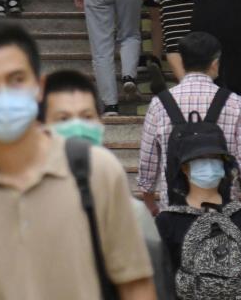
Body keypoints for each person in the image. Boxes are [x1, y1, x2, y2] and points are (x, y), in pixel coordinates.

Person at [0, 20, 155, 298]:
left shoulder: (96, 172)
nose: (3, 94)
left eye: (16, 80)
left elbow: (136, 285)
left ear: (39, 87)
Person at [37, 68, 178, 299]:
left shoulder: (133, 213)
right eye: (63, 119)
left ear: (100, 124)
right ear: (41, 129)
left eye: (86, 117)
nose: (78, 127)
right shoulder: (25, 209)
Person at [138, 32, 241, 229]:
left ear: (182, 61)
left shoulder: (159, 104)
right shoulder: (233, 102)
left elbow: (148, 164)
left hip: (174, 213)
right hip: (224, 212)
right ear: (215, 63)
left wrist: (150, 203)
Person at [155, 145, 241, 299]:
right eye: (201, 159)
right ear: (184, 168)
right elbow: (161, 278)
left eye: (215, 159)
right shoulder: (168, 221)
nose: (209, 165)